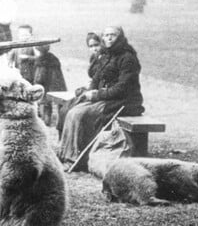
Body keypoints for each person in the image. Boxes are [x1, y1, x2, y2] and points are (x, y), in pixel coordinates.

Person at [58, 26, 144, 171]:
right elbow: (97, 78)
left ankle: (74, 159)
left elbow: (123, 88)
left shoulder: (127, 58)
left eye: (113, 35)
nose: (109, 38)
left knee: (78, 114)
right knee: (71, 108)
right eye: (106, 35)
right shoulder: (106, 55)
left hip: (122, 101)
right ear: (102, 37)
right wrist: (90, 91)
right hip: (106, 97)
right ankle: (64, 154)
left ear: (120, 37)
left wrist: (97, 95)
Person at [56, 32, 103, 137]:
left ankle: (72, 137)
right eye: (91, 46)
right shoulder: (94, 58)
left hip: (100, 92)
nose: (94, 49)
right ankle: (63, 137)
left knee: (74, 110)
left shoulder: (106, 58)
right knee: (64, 109)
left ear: (102, 44)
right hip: (92, 88)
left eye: (97, 45)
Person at [33, 44, 67, 126]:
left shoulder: (41, 61)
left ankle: (47, 121)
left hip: (47, 85)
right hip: (57, 84)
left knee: (46, 104)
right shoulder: (53, 58)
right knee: (58, 104)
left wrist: (36, 82)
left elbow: (40, 77)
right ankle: (60, 122)